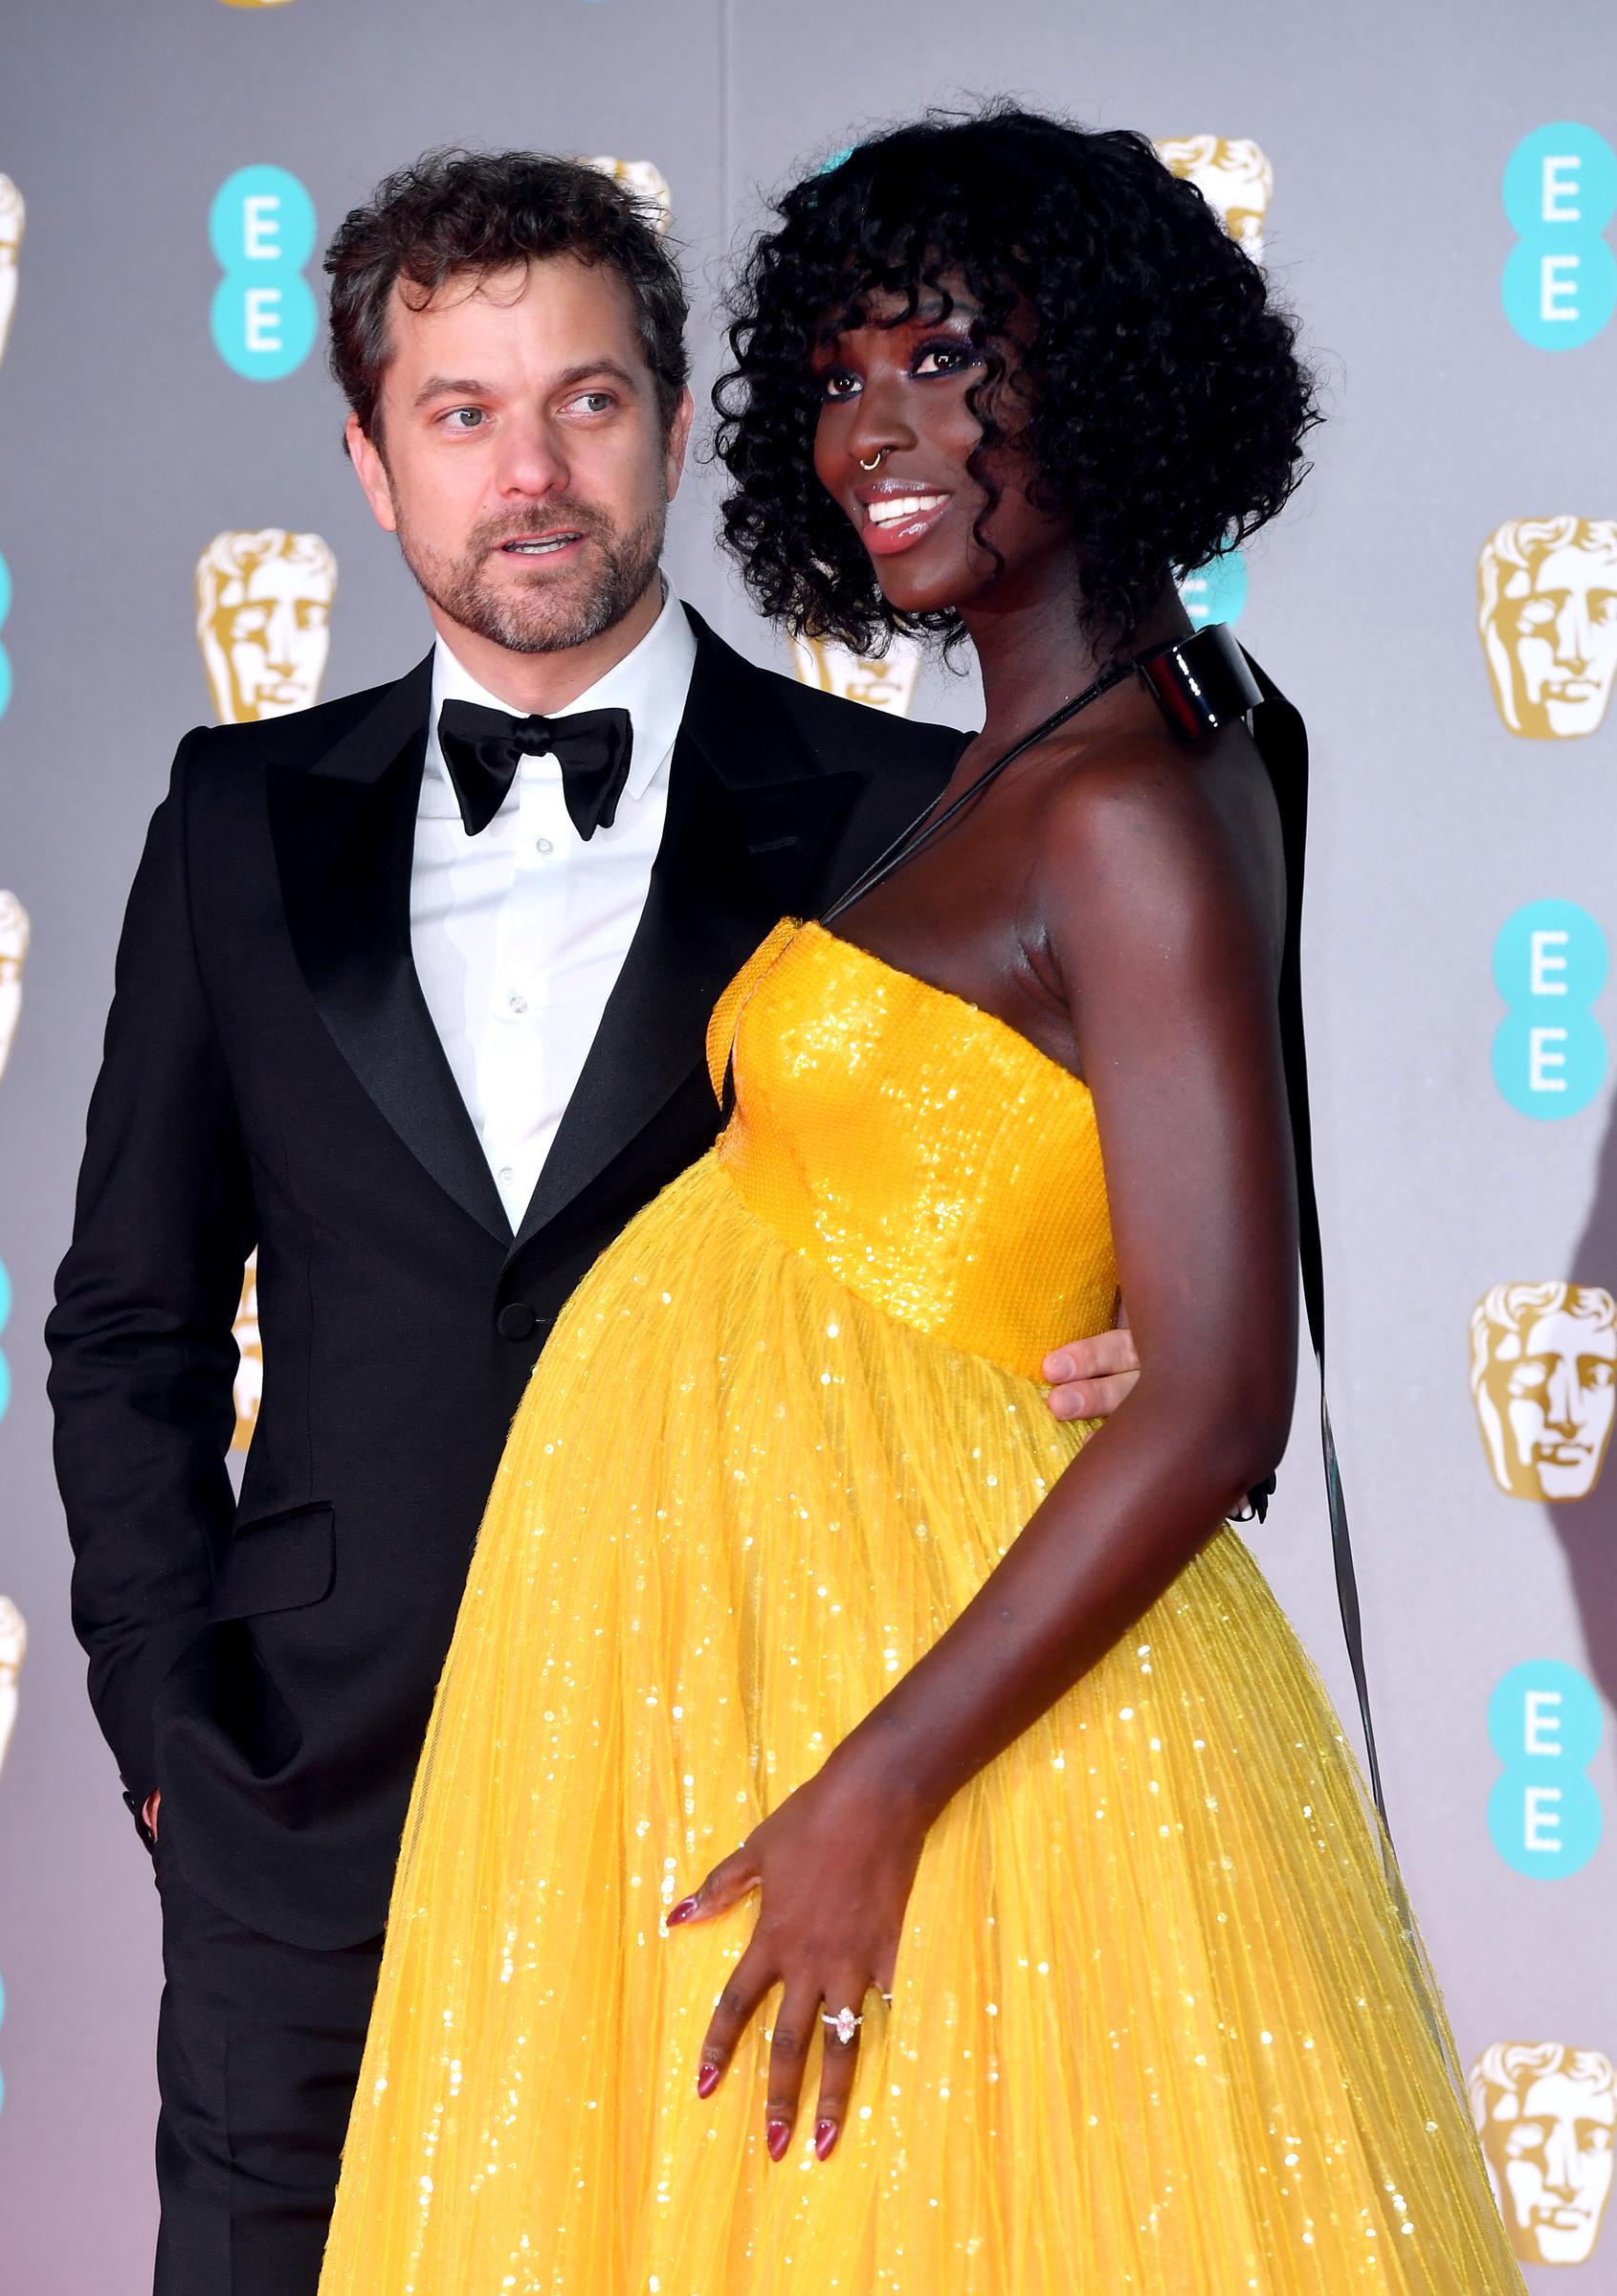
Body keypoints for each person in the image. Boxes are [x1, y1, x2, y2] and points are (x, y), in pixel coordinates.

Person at [318, 110, 1524, 2293]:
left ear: (1112, 377)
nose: (880, 432)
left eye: (951, 363)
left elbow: (1221, 1400)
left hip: (946, 1751)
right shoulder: (1051, 751)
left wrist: (873, 1793)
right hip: (799, 1656)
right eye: (845, 379)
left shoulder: (1124, 808)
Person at [43, 149, 1135, 2295]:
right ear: (369, 461)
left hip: (745, 1787)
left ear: (670, 415)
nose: (528, 471)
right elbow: (131, 1324)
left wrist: (1117, 1350)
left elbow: (1072, 1241)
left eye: (587, 401)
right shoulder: (233, 822)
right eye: (460, 413)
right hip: (319, 1797)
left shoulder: (901, 809)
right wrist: (176, 1726)